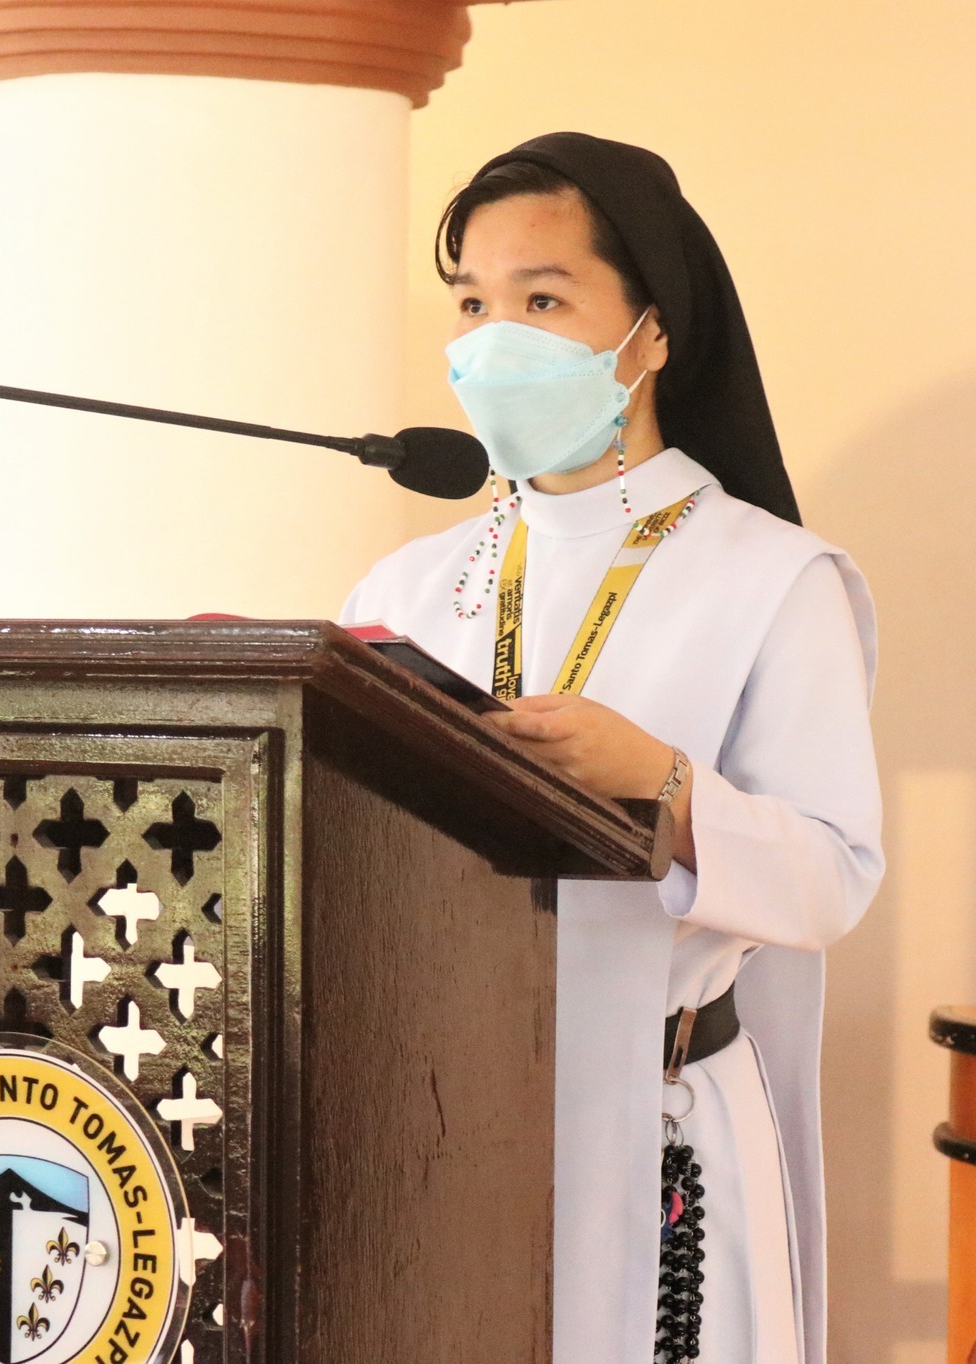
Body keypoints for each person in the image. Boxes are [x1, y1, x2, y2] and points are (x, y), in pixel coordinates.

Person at [342, 133, 882, 1364]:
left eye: (541, 300)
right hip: (429, 1125)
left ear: (651, 333)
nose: (494, 340)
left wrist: (664, 786)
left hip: (658, 1120)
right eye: (471, 304)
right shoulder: (404, 586)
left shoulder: (771, 575)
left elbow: (831, 877)